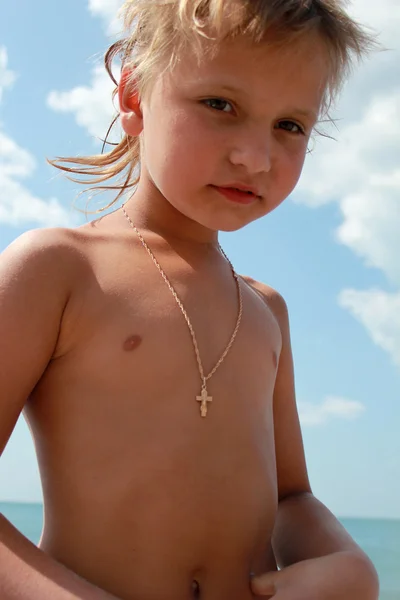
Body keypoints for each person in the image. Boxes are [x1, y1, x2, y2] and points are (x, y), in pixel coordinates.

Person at [0, 1, 380, 599]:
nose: (255, 157)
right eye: (220, 105)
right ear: (133, 98)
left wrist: (348, 565)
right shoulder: (58, 269)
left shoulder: (266, 311)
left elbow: (291, 497)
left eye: (290, 126)